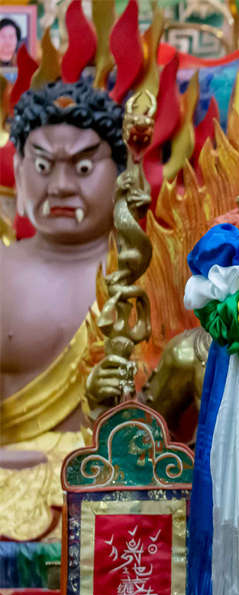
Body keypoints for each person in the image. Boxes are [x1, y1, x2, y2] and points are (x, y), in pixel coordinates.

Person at [0, 79, 125, 541]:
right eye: (42, 166)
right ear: (18, 168)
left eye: (84, 167)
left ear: (122, 173)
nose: (61, 186)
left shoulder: (148, 274)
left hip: (120, 489)